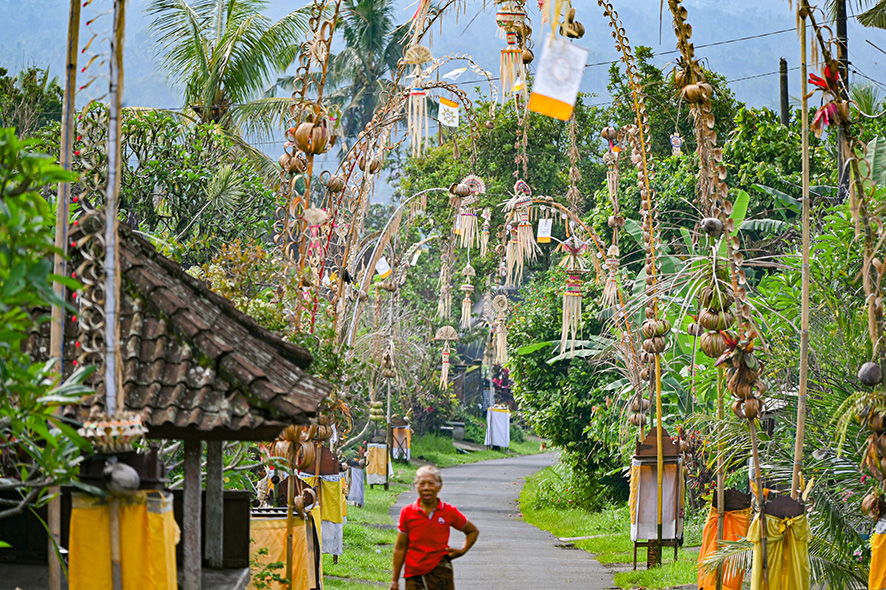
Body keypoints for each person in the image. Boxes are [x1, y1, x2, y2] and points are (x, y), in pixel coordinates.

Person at [390, 465, 478, 590]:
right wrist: (394, 580)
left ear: (439, 486)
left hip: (440, 572)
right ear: (416, 486)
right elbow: (400, 548)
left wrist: (463, 550)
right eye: (422, 483)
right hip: (414, 574)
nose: (426, 488)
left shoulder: (449, 512)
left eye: (431, 483)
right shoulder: (407, 512)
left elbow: (472, 531)